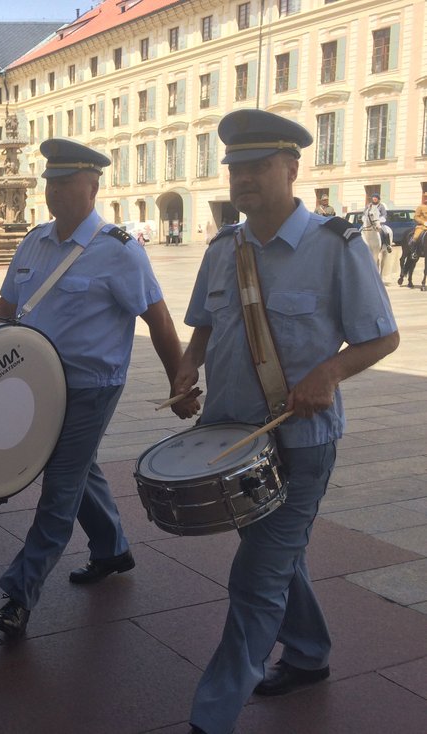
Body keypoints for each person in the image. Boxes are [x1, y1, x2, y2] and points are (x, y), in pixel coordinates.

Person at [171, 109, 399, 734]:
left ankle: (210, 718)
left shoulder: (334, 246)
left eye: (256, 167)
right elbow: (205, 324)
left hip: (299, 443)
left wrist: (327, 374)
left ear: (291, 168)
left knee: (256, 574)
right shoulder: (223, 248)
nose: (243, 179)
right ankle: (308, 653)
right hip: (230, 439)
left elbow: (381, 338)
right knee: (276, 555)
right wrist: (187, 368)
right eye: (235, 169)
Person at [0, 138, 194, 639]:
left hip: (91, 386)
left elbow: (159, 319)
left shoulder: (118, 250)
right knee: (79, 470)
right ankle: (112, 547)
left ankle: (19, 594)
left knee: (59, 485)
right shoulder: (33, 242)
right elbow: (4, 311)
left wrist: (180, 382)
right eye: (50, 181)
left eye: (67, 181)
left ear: (93, 185)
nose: (55, 191)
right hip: (36, 385)